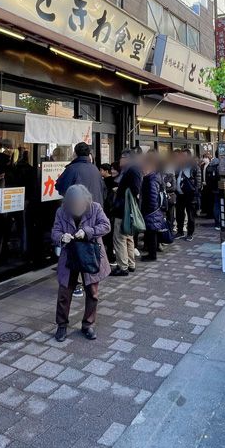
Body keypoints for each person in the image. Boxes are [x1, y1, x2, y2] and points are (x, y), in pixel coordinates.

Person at [51, 185, 111, 342]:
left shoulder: (95, 208)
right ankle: (62, 325)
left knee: (92, 292)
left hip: (90, 255)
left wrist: (87, 232)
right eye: (74, 204)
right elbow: (55, 232)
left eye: (80, 204)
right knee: (64, 292)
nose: (77, 207)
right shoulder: (61, 211)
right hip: (70, 255)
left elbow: (106, 226)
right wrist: (61, 237)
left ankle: (88, 325)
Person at [112, 150, 142, 274]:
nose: (120, 161)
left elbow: (135, 190)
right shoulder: (132, 169)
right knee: (128, 237)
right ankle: (130, 264)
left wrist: (120, 191)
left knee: (120, 238)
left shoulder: (132, 170)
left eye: (121, 158)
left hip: (124, 209)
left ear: (126, 158)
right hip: (126, 209)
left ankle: (122, 266)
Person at [55, 142, 105, 206]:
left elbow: (60, 187)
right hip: (96, 210)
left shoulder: (73, 169)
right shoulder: (95, 168)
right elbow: (103, 190)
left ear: (75, 153)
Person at [140, 150, 168, 261]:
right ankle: (152, 253)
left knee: (151, 233)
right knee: (151, 233)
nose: (143, 169)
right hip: (154, 211)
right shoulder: (154, 176)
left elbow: (152, 197)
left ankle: (152, 255)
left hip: (151, 211)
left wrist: (148, 211)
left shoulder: (151, 180)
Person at [175, 149, 201, 241]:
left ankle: (190, 233)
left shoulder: (193, 166)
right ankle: (180, 231)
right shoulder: (178, 166)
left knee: (190, 215)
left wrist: (195, 191)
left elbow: (198, 180)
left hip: (190, 194)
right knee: (179, 213)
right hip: (179, 194)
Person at [204, 152, 222, 230]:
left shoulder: (211, 164)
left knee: (216, 204)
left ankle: (216, 223)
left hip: (213, 188)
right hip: (221, 187)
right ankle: (221, 222)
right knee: (221, 204)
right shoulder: (221, 163)